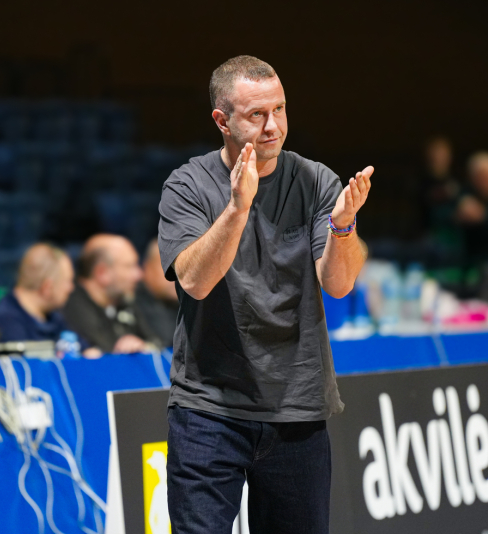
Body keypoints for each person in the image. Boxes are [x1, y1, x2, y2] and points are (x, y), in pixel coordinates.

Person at [158, 55, 372, 534]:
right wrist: (238, 208)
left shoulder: (316, 180)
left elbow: (339, 284)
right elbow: (195, 281)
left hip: (297, 405)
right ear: (222, 121)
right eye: (257, 114)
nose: (273, 125)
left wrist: (342, 227)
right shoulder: (187, 185)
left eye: (279, 109)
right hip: (209, 409)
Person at [0, 243, 98, 356]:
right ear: (47, 288)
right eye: (67, 281)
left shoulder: (54, 318)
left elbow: (85, 350)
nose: (71, 288)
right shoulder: (5, 323)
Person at [62, 234, 161, 354]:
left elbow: (155, 343)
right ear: (102, 273)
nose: (139, 275)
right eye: (129, 266)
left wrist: (143, 346)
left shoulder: (124, 301)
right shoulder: (71, 309)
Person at [135, 238, 178, 347]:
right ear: (148, 267)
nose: (178, 275)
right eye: (170, 267)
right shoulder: (130, 302)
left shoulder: (185, 302)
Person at [418, 136, 459, 236]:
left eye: (443, 154)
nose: (439, 158)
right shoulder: (421, 180)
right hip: (426, 231)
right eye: (436, 154)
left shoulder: (455, 180)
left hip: (451, 230)